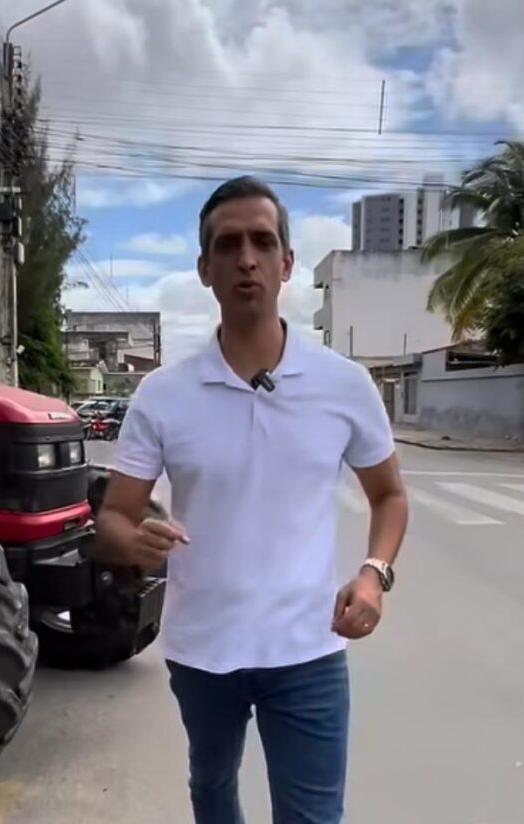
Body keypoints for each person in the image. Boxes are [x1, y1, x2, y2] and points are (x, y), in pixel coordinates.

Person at [95, 176, 409, 824]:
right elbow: (114, 519)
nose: (246, 259)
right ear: (204, 268)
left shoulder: (343, 385)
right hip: (202, 651)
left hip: (309, 649)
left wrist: (373, 575)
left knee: (313, 816)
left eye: (263, 242)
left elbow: (390, 496)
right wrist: (133, 542)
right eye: (228, 244)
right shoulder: (164, 395)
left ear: (286, 263)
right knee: (213, 790)